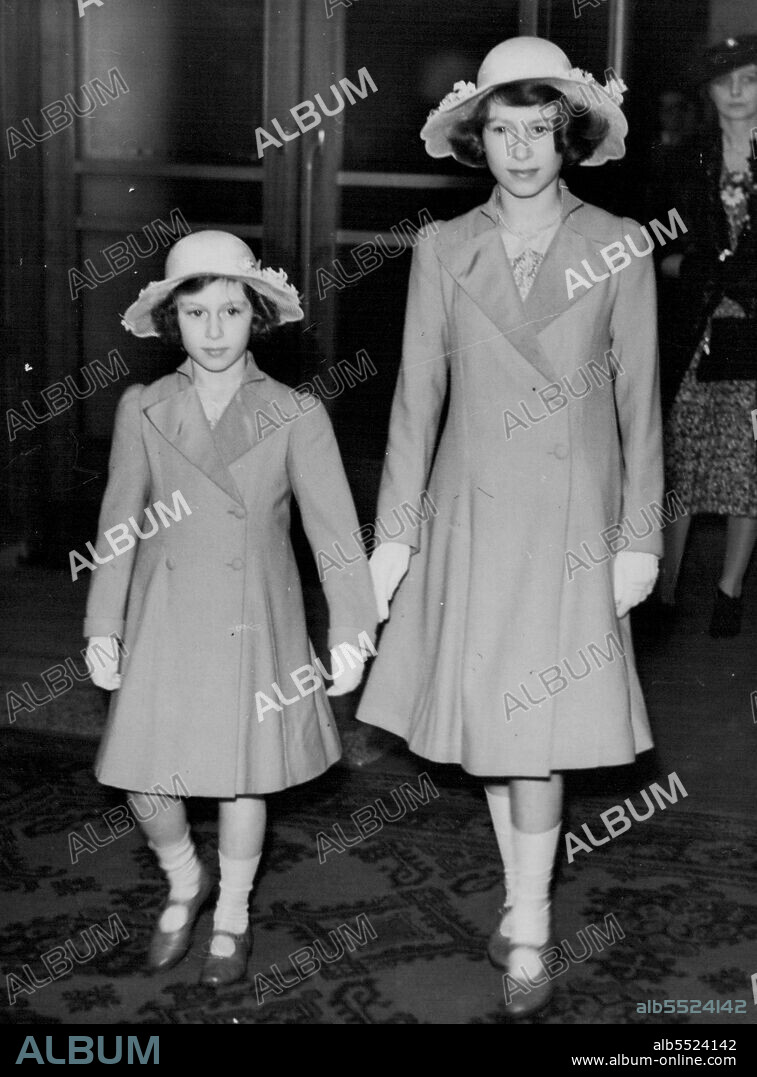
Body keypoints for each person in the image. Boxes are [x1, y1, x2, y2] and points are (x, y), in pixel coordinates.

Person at [356, 37, 662, 1018]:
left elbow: (639, 405)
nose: (522, 150)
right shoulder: (443, 249)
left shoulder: (619, 242)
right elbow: (416, 395)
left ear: (567, 136)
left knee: (535, 735)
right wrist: (394, 534)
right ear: (475, 138)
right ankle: (522, 893)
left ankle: (528, 923)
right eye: (502, 129)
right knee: (497, 725)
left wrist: (639, 536)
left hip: (572, 525)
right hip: (473, 520)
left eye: (539, 129)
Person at [83, 230, 377, 985]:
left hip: (256, 621)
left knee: (244, 776)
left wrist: (351, 627)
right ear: (172, 322)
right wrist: (103, 623)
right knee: (147, 780)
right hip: (165, 617)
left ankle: (235, 911)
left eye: (230, 311)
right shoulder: (144, 407)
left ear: (257, 319)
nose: (213, 331)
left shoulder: (293, 411)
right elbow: (118, 525)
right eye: (195, 313)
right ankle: (185, 877)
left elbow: (335, 533)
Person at [658, 34, 757, 637]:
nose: (738, 93)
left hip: (755, 329)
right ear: (710, 91)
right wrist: (696, 268)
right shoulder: (683, 160)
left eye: (750, 79)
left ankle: (730, 588)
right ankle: (664, 591)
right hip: (697, 327)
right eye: (726, 82)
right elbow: (650, 248)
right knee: (683, 457)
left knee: (750, 461)